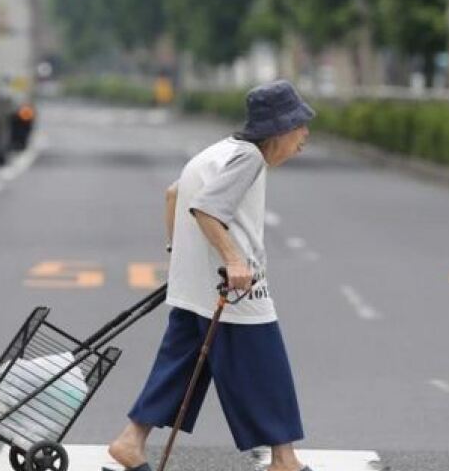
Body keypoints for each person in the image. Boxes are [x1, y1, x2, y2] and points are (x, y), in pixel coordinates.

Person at [107, 79, 316, 471]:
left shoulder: (218, 152)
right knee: (266, 366)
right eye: (301, 126)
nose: (305, 135)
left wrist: (177, 256)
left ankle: (130, 441)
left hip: (194, 288)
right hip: (232, 290)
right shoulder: (250, 158)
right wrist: (235, 260)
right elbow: (206, 208)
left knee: (181, 367)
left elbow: (174, 194)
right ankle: (284, 459)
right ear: (281, 129)